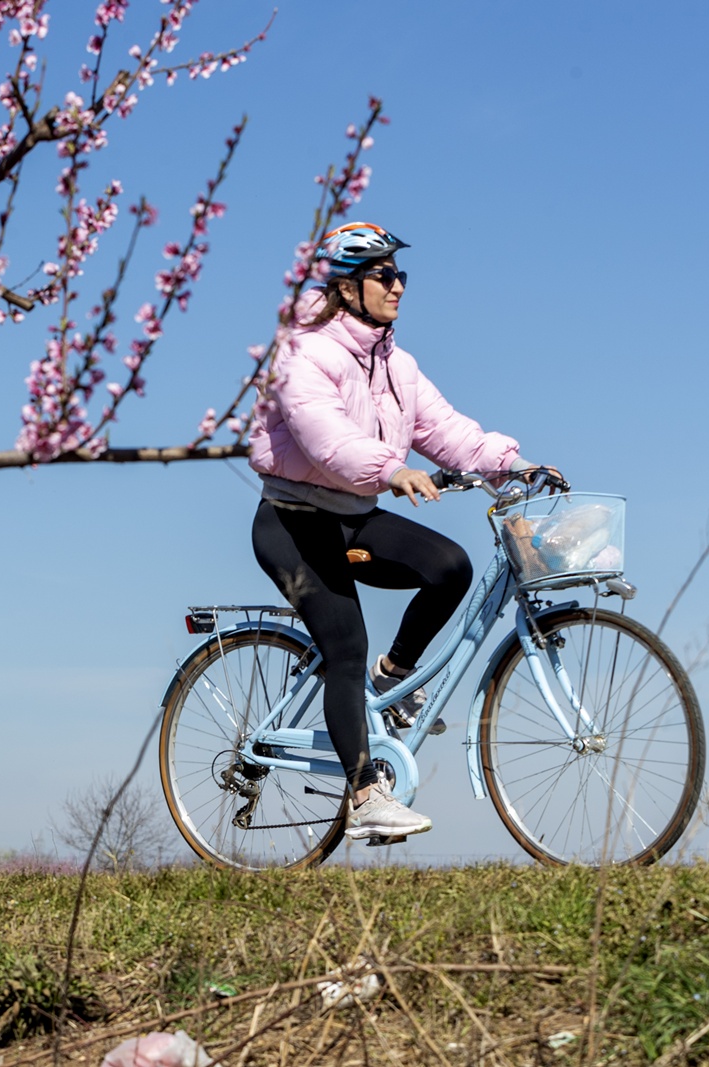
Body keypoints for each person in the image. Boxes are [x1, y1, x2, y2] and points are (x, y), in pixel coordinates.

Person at [246, 222, 553, 841]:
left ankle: (393, 681)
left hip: (355, 515)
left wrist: (510, 462)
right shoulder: (302, 353)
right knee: (345, 645)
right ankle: (364, 797)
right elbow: (324, 439)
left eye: (400, 275)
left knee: (449, 567)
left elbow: (445, 428)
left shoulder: (396, 364)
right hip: (294, 523)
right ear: (347, 287)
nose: (398, 287)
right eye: (385, 275)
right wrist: (394, 471)